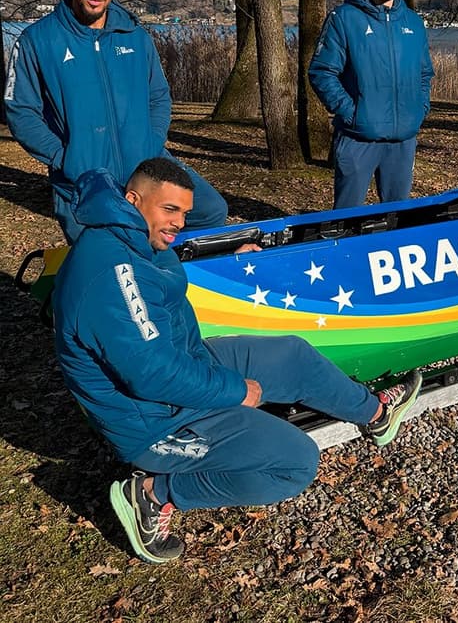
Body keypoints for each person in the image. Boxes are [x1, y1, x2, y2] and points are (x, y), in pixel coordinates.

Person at [52, 157, 423, 564]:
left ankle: (374, 414)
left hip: (186, 364)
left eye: (184, 213)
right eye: (169, 210)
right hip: (155, 419)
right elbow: (152, 375)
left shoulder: (136, 238)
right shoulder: (112, 272)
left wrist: (232, 248)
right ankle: (153, 494)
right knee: (295, 464)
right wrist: (233, 390)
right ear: (132, 199)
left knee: (291, 355)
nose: (178, 223)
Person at [3, 0, 227, 243]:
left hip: (147, 166)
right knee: (108, 254)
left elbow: (158, 96)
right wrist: (64, 157)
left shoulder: (135, 36)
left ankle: (167, 276)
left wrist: (152, 141)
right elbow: (21, 111)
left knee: (210, 211)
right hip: (85, 177)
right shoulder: (38, 40)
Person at [309, 0, 434, 209]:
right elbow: (322, 72)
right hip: (358, 138)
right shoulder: (343, 18)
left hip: (402, 140)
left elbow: (424, 73)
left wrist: (419, 109)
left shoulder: (413, 22)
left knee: (397, 218)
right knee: (346, 219)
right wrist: (351, 112)